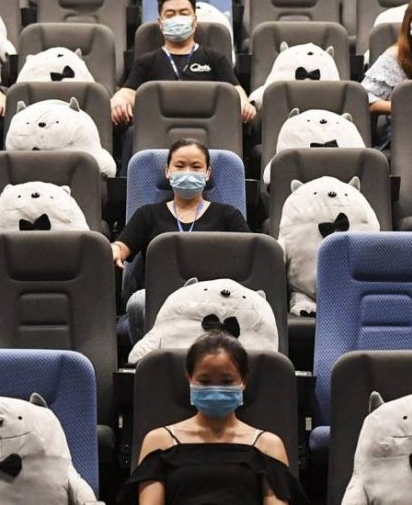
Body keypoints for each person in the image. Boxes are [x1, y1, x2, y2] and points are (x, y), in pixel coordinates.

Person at [118, 331, 307, 505]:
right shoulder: (160, 442)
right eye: (205, 381)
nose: (216, 388)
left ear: (243, 381)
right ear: (189, 379)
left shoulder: (268, 445)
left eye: (227, 381)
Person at [112, 138, 250, 341]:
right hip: (160, 300)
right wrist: (114, 249)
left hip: (212, 300)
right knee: (138, 301)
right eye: (179, 166)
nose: (187, 172)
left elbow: (250, 254)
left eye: (196, 167)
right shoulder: (148, 214)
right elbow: (122, 246)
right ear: (168, 172)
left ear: (207, 173)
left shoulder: (228, 215)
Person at [111, 0, 256, 126]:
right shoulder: (146, 62)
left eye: (184, 13)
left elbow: (236, 92)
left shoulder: (215, 59)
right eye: (170, 14)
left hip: (208, 129)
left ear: (195, 21)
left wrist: (244, 104)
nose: (177, 18)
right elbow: (128, 93)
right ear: (160, 23)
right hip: (157, 130)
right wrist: (118, 100)